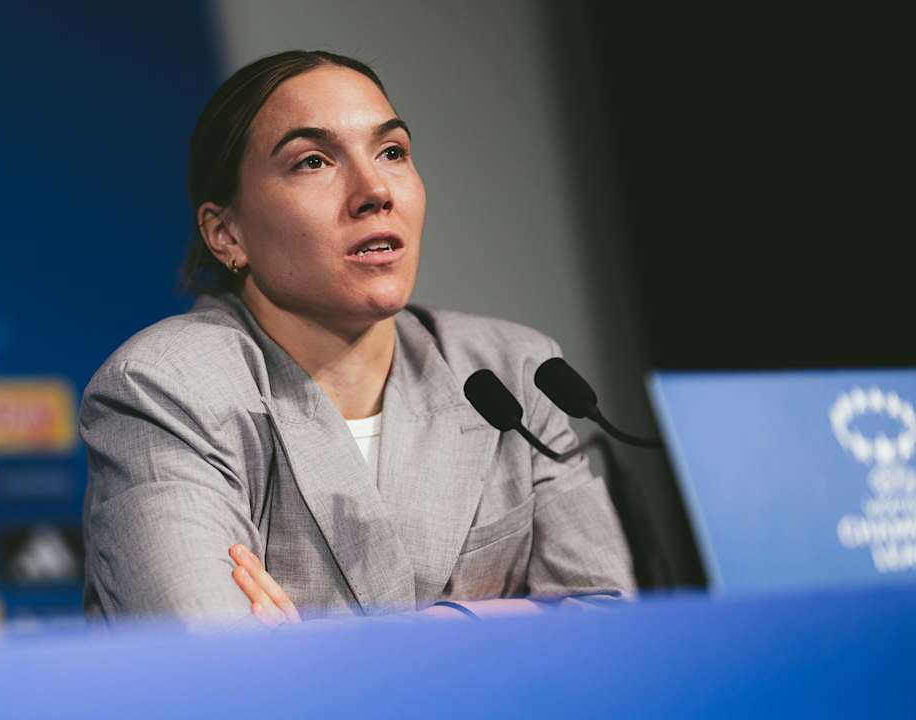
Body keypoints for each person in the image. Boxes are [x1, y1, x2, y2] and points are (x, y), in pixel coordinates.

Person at [80, 50, 633, 629]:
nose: (374, 190)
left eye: (391, 152)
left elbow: (607, 628)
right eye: (314, 161)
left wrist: (351, 640)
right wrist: (509, 620)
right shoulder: (166, 387)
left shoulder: (515, 370)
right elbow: (214, 666)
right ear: (227, 233)